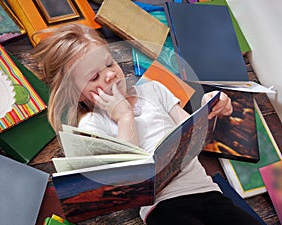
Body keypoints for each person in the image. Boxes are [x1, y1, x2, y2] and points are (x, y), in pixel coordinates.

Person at [31, 24, 263, 225]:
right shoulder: (92, 124)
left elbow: (192, 134)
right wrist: (124, 117)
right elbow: (126, 179)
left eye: (109, 64)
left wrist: (209, 109)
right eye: (94, 77)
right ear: (78, 94)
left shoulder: (153, 90)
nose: (110, 75)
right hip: (164, 207)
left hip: (207, 191)